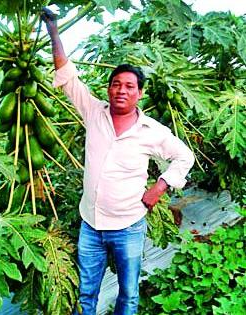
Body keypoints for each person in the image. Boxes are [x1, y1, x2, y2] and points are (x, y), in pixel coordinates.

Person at [41, 8, 195, 315]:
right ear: (109, 88)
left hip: (128, 226)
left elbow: (184, 157)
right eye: (116, 84)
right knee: (86, 293)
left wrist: (159, 188)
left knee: (128, 294)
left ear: (139, 93)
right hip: (90, 225)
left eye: (129, 86)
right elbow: (69, 75)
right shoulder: (93, 111)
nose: (121, 90)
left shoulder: (152, 130)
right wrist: (53, 29)